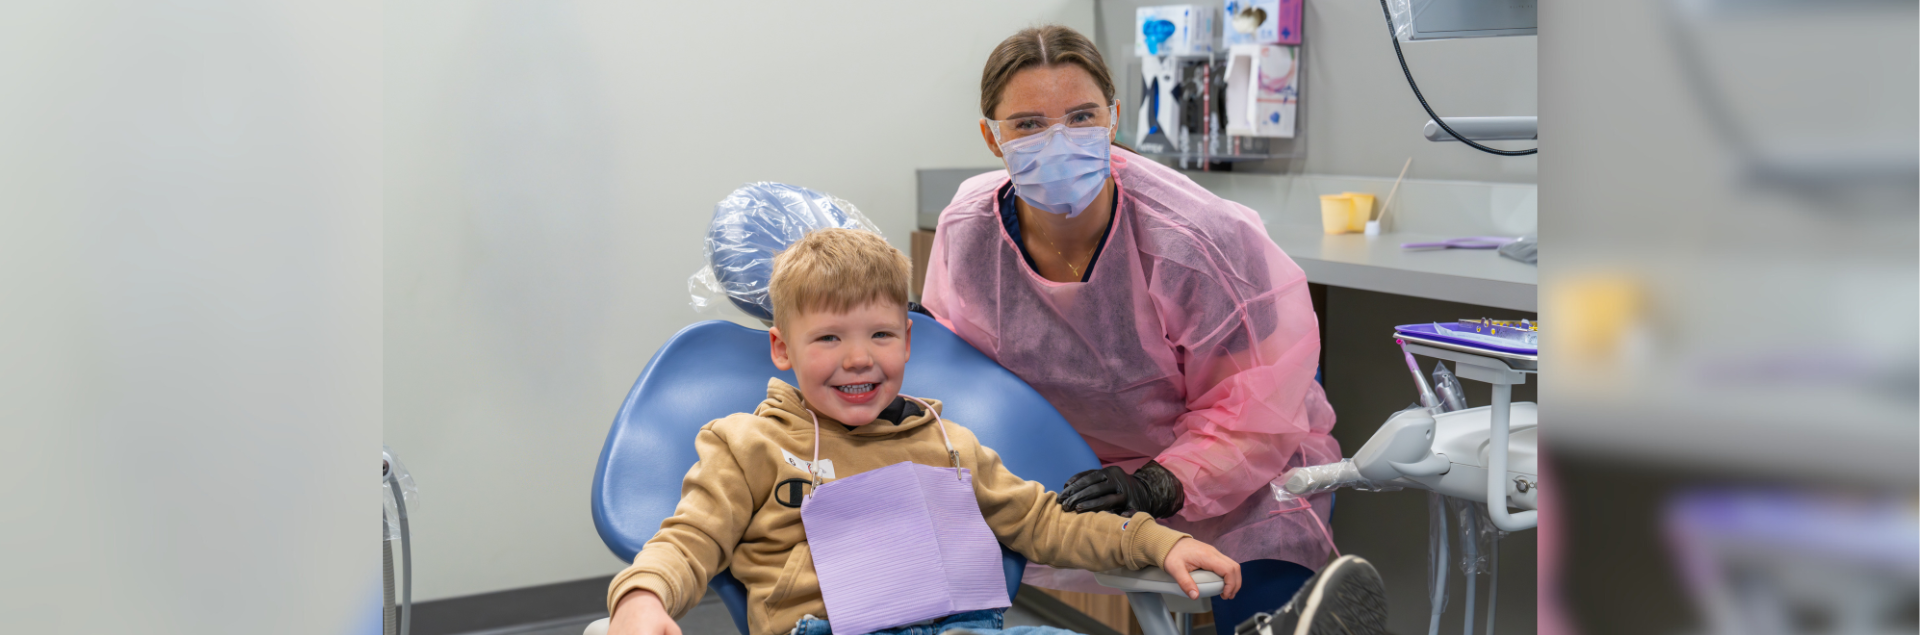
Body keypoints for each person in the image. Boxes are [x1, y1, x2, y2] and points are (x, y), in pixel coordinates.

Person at [604, 228, 1243, 635]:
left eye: (880, 335)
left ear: (908, 341)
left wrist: (1156, 543)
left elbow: (1048, 523)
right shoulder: (747, 446)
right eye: (828, 339)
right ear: (781, 348)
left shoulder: (946, 443)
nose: (858, 359)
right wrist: (640, 599)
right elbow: (687, 543)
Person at [919, 25, 1342, 628]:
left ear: (1114, 118)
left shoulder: (1194, 238)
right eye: (1029, 124)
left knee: (1265, 613)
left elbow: (1255, 408)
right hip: (1078, 475)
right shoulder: (969, 230)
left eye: (1082, 116)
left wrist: (1156, 486)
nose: (1058, 142)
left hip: (1242, 472)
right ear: (991, 137)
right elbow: (970, 372)